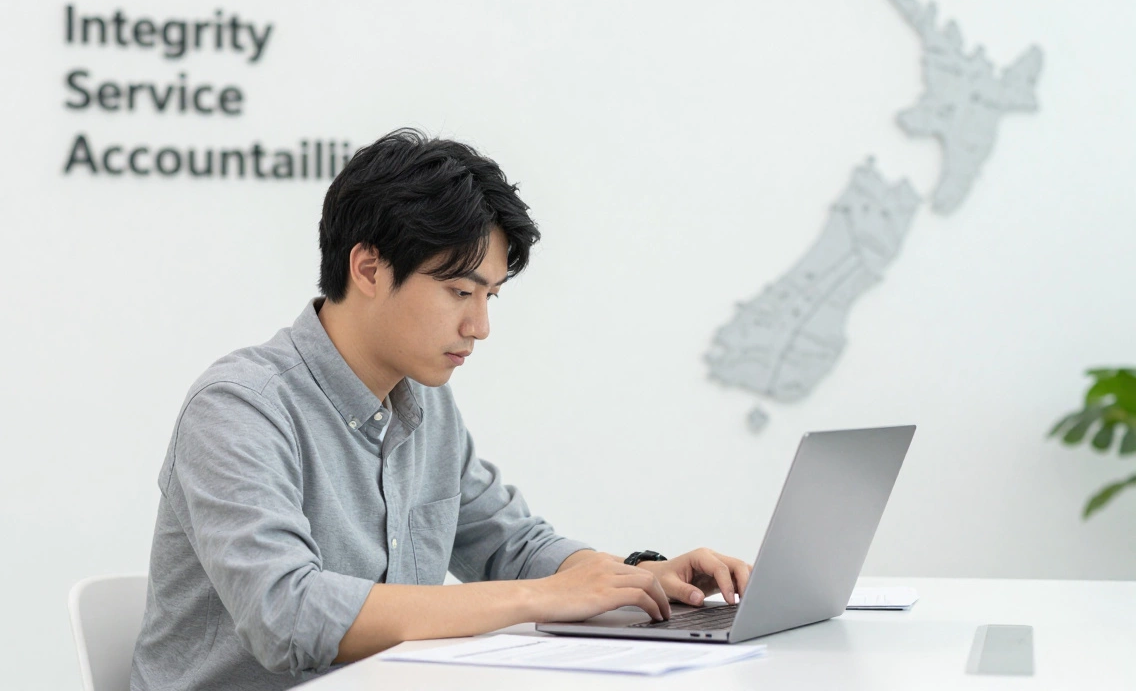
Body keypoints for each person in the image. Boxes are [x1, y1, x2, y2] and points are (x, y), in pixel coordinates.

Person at [130, 128, 752, 690]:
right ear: (368, 267)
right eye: (459, 291)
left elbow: (513, 544)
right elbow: (288, 617)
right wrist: (542, 597)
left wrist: (637, 578)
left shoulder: (426, 402)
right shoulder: (240, 407)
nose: (479, 326)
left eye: (491, 296)